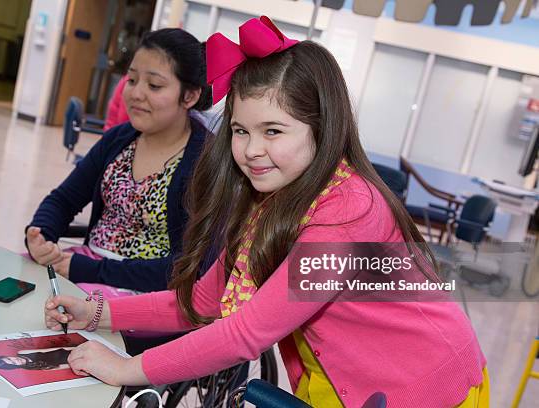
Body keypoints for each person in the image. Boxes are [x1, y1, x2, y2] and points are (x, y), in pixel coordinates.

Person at [44, 17, 488, 408]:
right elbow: (204, 301)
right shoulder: (268, 198)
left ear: (323, 129)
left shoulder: (350, 209)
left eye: (272, 131)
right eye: (240, 130)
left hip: (421, 384)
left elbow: (244, 334)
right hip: (339, 378)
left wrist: (127, 368)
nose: (252, 151)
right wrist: (99, 312)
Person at [26, 28, 213, 292]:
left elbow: (188, 266)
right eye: (132, 80)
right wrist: (41, 235)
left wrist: (88, 270)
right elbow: (64, 200)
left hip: (145, 291)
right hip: (86, 268)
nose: (136, 93)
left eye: (154, 85)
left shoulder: (205, 161)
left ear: (190, 96)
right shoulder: (119, 139)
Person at [0, 347, 74, 371]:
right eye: (13, 363)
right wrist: (74, 364)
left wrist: (76, 348)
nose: (15, 360)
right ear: (15, 367)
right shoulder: (33, 367)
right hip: (74, 361)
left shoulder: (22, 352)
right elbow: (58, 367)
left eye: (10, 359)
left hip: (69, 351)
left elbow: (49, 350)